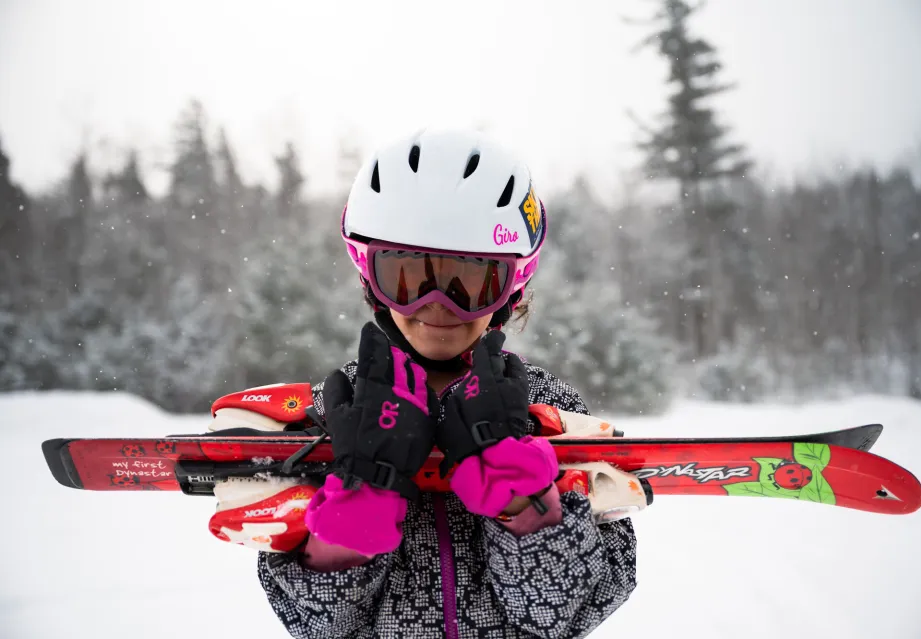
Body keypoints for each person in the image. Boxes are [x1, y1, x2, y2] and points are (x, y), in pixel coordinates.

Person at [209, 130, 639, 638]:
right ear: (371, 278)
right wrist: (361, 497)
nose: (438, 306)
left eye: (470, 282)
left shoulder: (548, 410)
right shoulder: (335, 414)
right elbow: (320, 625)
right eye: (409, 279)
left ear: (512, 286)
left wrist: (520, 495)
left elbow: (563, 615)